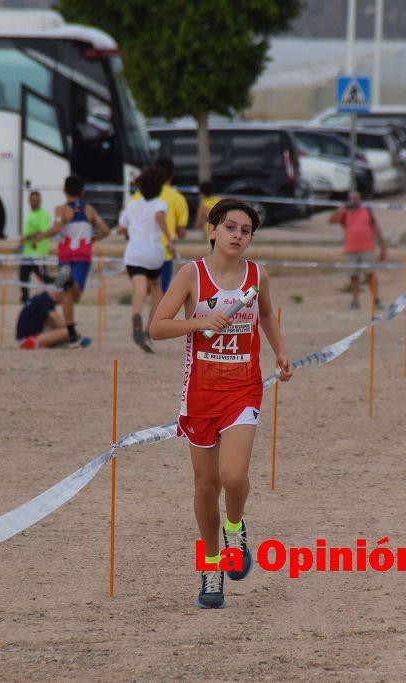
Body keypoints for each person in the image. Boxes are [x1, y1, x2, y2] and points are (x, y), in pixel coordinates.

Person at [148, 198, 293, 610]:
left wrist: (280, 351)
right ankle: (211, 568)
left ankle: (235, 529)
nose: (237, 236)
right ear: (212, 230)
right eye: (230, 227)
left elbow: (265, 315)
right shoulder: (191, 274)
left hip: (243, 390)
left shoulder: (256, 276)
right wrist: (198, 321)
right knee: (205, 486)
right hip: (200, 394)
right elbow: (157, 327)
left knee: (233, 477)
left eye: (245, 231)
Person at [25, 176, 110, 346]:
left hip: (65, 256)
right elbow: (106, 230)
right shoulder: (89, 210)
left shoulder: (61, 210)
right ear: (82, 191)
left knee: (68, 294)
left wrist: (39, 237)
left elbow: (56, 229)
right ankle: (71, 334)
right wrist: (94, 238)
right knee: (73, 294)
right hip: (82, 256)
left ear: (64, 191)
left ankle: (71, 333)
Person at [118, 166, 172, 352]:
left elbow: (120, 229)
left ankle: (136, 319)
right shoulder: (160, 204)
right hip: (154, 254)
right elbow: (158, 216)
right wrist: (170, 240)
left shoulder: (132, 205)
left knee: (140, 289)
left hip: (133, 254)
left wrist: (129, 232)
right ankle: (150, 329)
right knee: (157, 287)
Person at [130, 158, 188, 293]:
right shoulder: (177, 198)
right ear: (172, 175)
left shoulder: (138, 195)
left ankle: (137, 312)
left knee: (142, 291)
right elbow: (181, 231)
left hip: (138, 252)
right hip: (163, 254)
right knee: (159, 295)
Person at [328, 190, 386, 309]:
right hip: (351, 249)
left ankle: (376, 300)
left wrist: (382, 247)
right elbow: (331, 221)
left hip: (367, 248)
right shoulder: (344, 214)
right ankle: (355, 302)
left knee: (370, 275)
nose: (354, 201)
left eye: (356, 198)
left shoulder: (367, 211)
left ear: (360, 200)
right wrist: (339, 211)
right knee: (353, 276)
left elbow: (376, 229)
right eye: (352, 198)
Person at [15, 272, 91, 349]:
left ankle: (57, 343)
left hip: (25, 338)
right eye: (63, 294)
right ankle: (73, 341)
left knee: (55, 328)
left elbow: (53, 323)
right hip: (28, 340)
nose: (64, 299)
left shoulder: (41, 298)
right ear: (57, 292)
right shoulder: (46, 301)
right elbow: (60, 323)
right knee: (68, 332)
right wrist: (72, 326)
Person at [18, 190, 53, 304]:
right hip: (28, 252)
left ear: (40, 201)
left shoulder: (43, 215)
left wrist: (28, 238)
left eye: (36, 200)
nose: (34, 202)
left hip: (39, 253)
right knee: (23, 275)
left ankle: (60, 287)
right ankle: (25, 298)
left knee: (44, 277)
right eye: (32, 200)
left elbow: (43, 232)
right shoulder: (30, 214)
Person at [193, 181, 221, 249]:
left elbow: (198, 224)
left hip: (212, 238)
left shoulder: (204, 205)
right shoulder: (220, 201)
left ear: (202, 193)